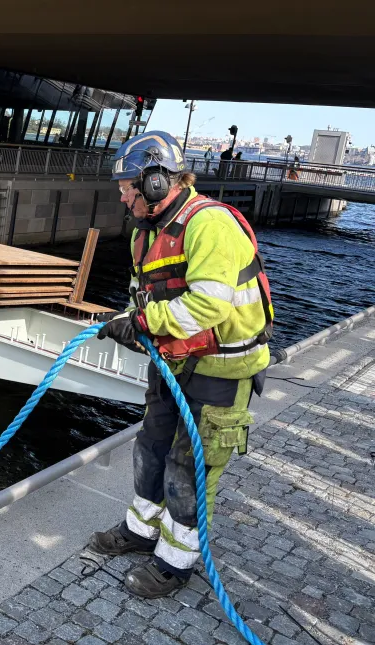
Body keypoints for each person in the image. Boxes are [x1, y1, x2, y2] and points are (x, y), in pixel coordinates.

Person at [88, 130, 273, 598]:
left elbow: (209, 306)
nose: (122, 195)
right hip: (174, 362)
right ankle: (141, 531)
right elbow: (146, 295)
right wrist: (134, 325)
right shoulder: (144, 234)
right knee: (150, 448)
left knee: (189, 465)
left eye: (128, 186)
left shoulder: (208, 225)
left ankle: (175, 563)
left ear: (155, 182)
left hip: (219, 368)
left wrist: (145, 323)